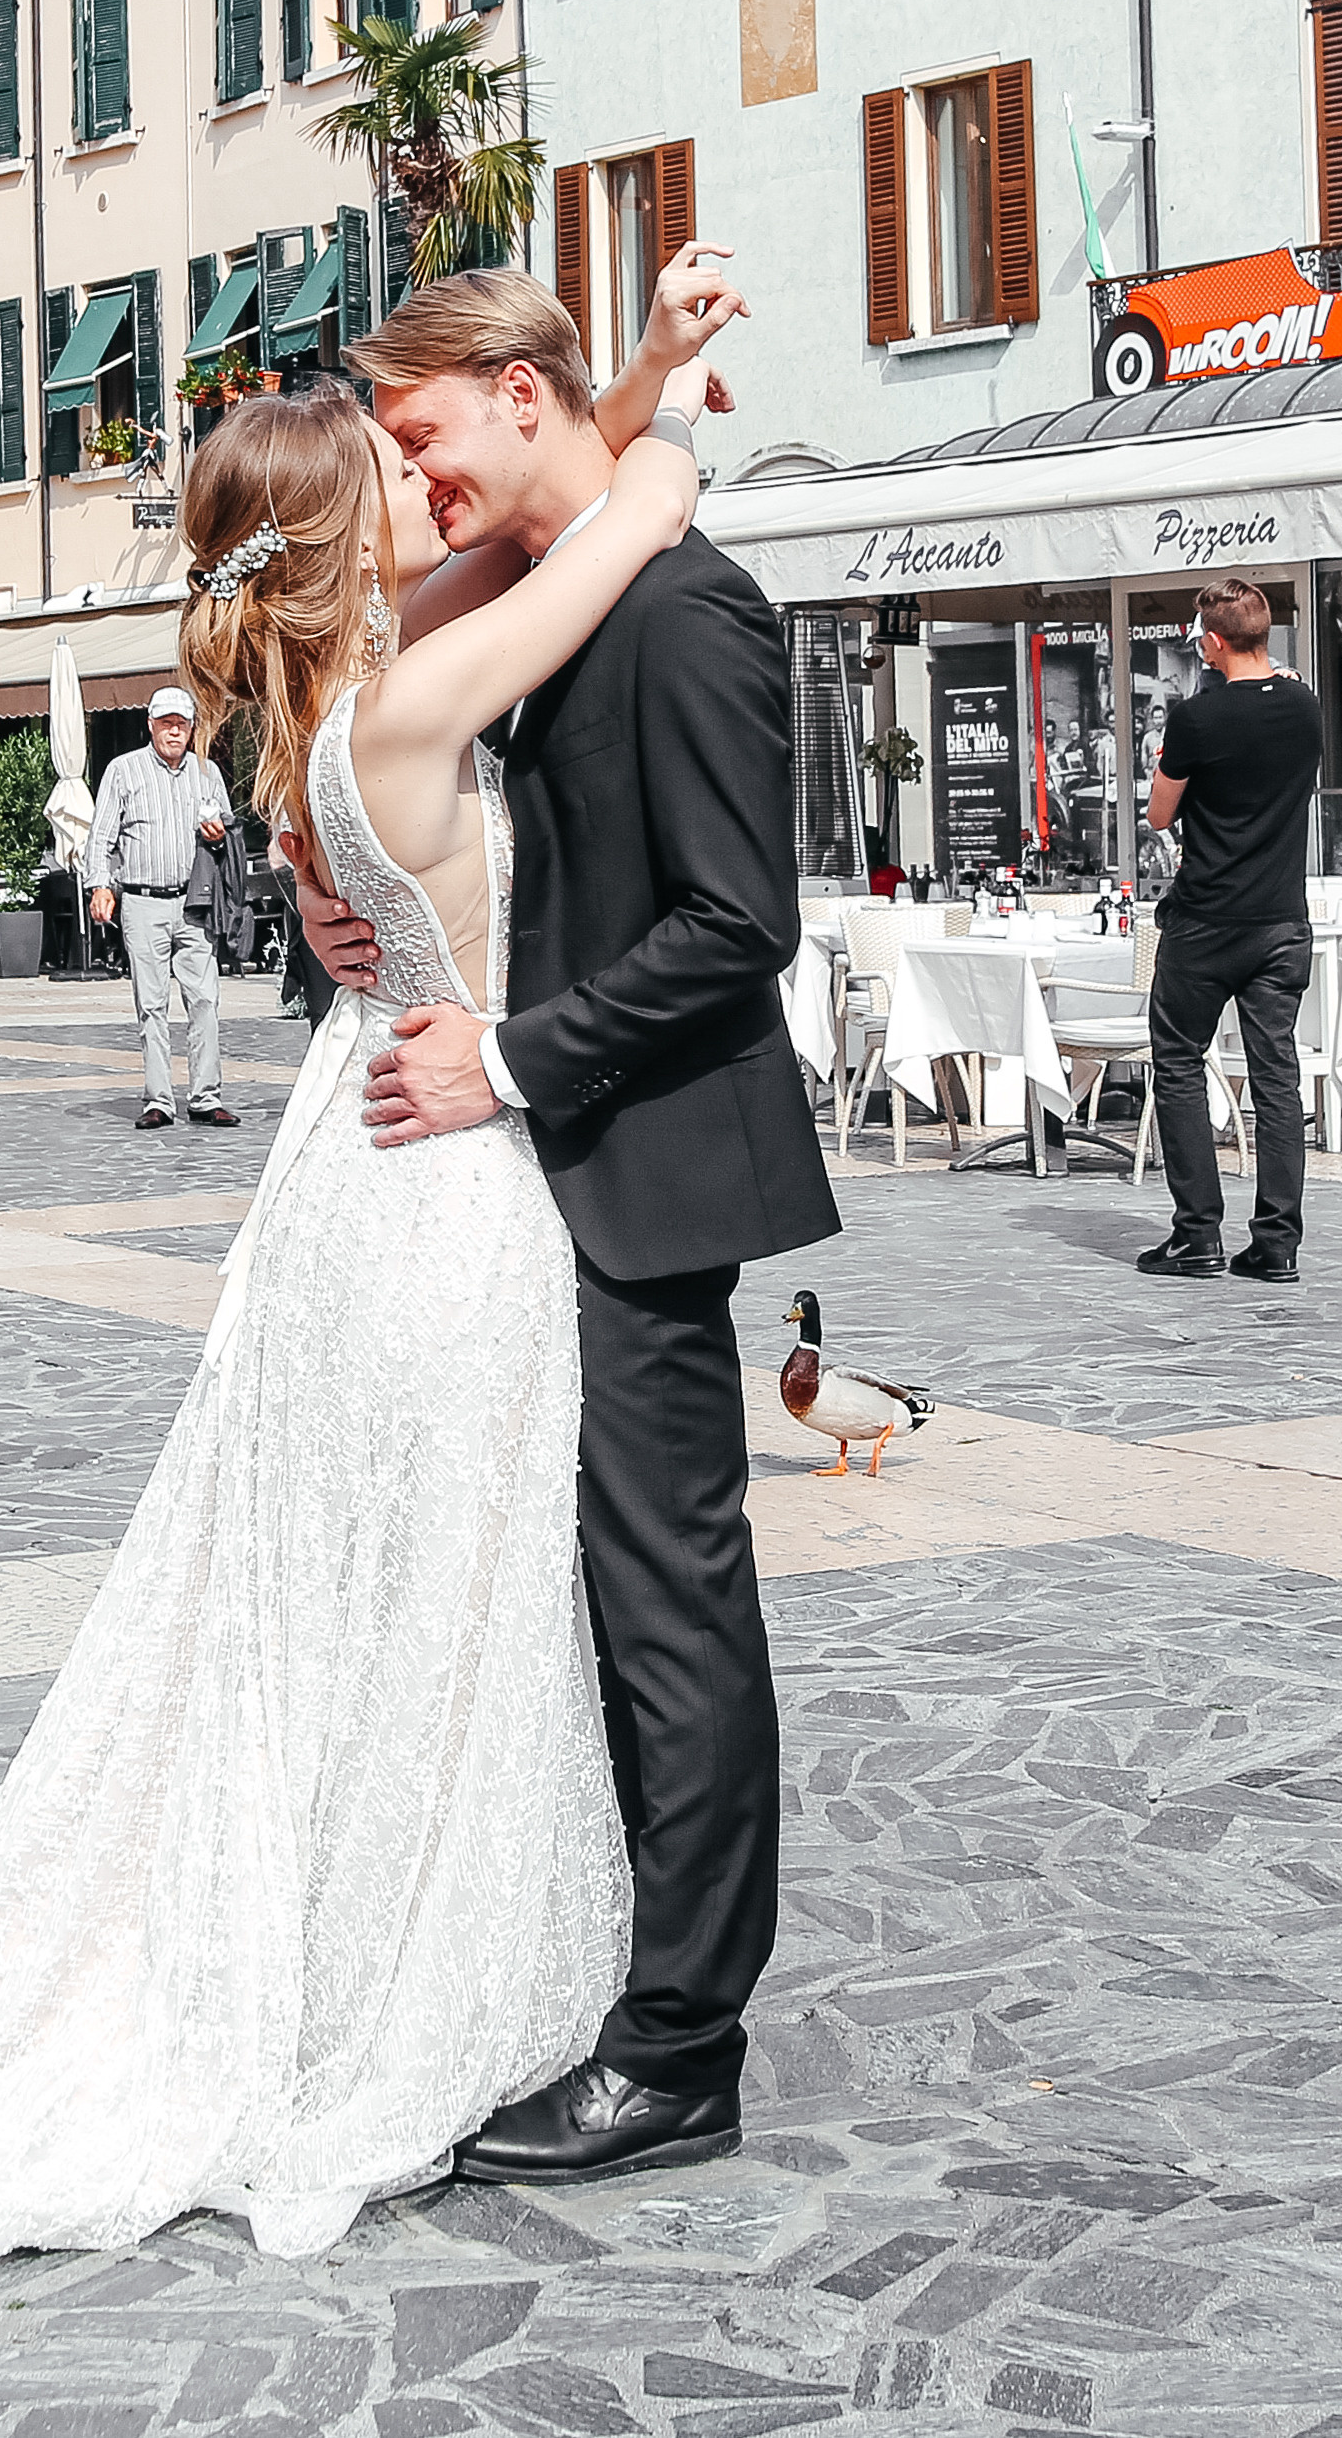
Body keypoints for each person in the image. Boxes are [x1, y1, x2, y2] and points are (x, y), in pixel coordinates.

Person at [0, 269, 750, 2269]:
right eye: (408, 467)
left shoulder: (322, 715)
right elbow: (620, 522)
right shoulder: (421, 688)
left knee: (344, 1597)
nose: (444, 485)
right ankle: (409, 1986)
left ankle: (349, 1932)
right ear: (368, 529)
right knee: (452, 1598)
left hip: (345, 1188)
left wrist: (633, 371)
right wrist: (671, 431)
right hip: (452, 1190)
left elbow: (540, 493)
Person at [299, 258, 839, 2187]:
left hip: (637, 1183)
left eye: (429, 433)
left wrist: (503, 1061)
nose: (419, 475)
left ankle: (681, 2044)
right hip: (542, 1189)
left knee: (666, 1615)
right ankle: (590, 1982)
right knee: (577, 1613)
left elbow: (732, 927)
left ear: (517, 395)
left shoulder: (687, 613)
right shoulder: (564, 597)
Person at [1138, 575, 1324, 1286]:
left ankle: (1198, 1236)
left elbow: (1159, 815)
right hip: (1281, 918)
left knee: (1180, 1062)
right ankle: (1277, 1242)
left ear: (1212, 641)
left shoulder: (1195, 718)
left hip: (1208, 918)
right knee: (1276, 1075)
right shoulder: (1307, 707)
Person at [83, 686, 237, 1130]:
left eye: (182, 723)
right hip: (142, 900)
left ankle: (206, 1096)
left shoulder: (207, 773)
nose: (174, 730)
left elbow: (227, 832)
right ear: (150, 725)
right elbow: (102, 836)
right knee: (151, 1005)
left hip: (194, 902)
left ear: (192, 728)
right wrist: (100, 886)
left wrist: (218, 837)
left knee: (205, 999)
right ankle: (159, 1100)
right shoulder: (123, 770)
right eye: (166, 722)